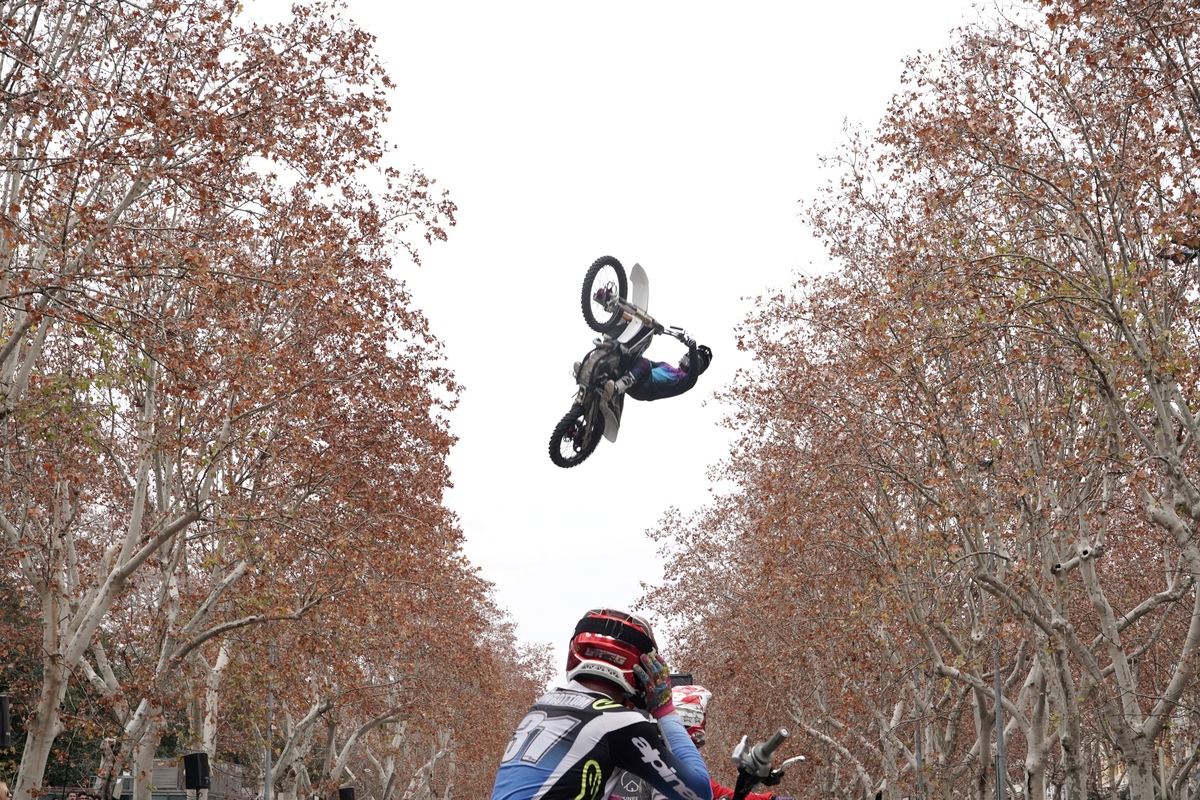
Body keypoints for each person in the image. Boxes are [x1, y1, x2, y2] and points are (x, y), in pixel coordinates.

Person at [490, 609, 712, 800]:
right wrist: (665, 709)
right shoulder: (619, 722)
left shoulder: (545, 703)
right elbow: (699, 793)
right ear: (643, 668)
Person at [611, 685, 794, 800]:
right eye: (703, 718)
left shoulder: (667, 756)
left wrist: (769, 799)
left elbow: (717, 792)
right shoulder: (667, 763)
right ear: (692, 717)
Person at [602, 340, 712, 404]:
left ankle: (616, 388)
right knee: (634, 356)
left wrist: (693, 349)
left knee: (644, 363)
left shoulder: (686, 381)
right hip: (639, 380)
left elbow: (693, 374)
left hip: (645, 389)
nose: (689, 358)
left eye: (698, 360)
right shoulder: (666, 365)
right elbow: (643, 364)